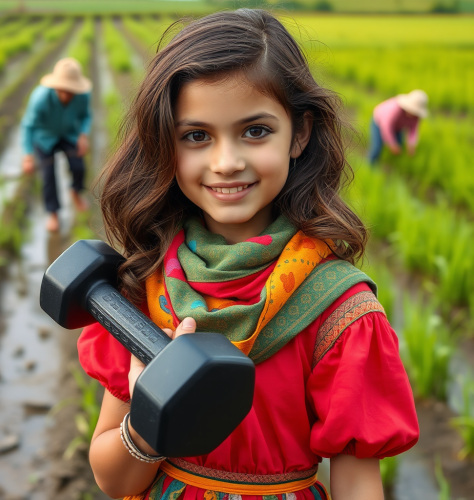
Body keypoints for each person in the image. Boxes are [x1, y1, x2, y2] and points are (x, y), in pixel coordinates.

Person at [78, 10, 419, 500]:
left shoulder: (339, 311)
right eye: (196, 136)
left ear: (299, 133)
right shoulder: (142, 291)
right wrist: (149, 418)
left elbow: (358, 482)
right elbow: (113, 480)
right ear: (166, 144)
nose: (226, 162)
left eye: (255, 131)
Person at [21, 57, 92, 232]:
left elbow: (86, 116)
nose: (67, 94)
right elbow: (28, 126)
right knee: (48, 176)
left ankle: (75, 191)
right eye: (63, 89)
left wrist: (83, 135)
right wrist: (28, 156)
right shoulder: (40, 99)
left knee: (79, 166)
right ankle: (53, 213)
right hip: (45, 137)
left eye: (71, 90)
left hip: (69, 133)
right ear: (56, 86)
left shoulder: (83, 96)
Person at [368, 89, 428, 165]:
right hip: (379, 123)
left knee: (399, 146)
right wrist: (392, 144)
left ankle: (389, 162)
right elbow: (386, 126)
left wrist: (411, 144)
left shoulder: (416, 117)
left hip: (397, 127)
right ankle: (370, 164)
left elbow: (413, 130)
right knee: (377, 148)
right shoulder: (396, 109)